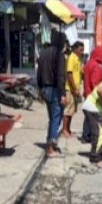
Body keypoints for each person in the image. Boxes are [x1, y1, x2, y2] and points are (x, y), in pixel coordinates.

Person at [37, 30, 67, 158]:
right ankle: (50, 147)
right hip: (55, 90)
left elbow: (38, 73)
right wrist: (63, 94)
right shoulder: (58, 54)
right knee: (56, 117)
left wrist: (40, 88)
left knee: (53, 118)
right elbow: (61, 75)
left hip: (45, 89)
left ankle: (51, 140)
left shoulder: (43, 53)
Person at [81, 45, 102, 143]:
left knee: (88, 116)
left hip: (87, 93)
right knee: (92, 117)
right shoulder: (96, 66)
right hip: (92, 95)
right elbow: (94, 82)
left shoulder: (88, 63)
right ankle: (87, 136)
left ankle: (86, 135)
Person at [61, 41, 84, 139]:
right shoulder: (71, 58)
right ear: (75, 49)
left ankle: (68, 130)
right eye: (80, 50)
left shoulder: (77, 59)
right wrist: (74, 88)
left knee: (72, 111)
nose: (82, 52)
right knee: (67, 111)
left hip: (75, 89)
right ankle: (64, 130)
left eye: (82, 50)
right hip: (70, 89)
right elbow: (69, 74)